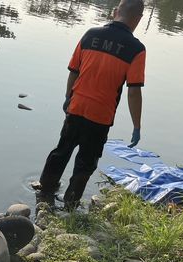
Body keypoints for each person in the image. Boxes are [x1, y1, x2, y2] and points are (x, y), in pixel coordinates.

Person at [37, 0, 146, 210]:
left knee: (62, 150)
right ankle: (70, 203)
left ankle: (45, 190)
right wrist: (137, 126)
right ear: (138, 19)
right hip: (101, 115)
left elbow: (73, 71)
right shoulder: (136, 49)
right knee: (86, 161)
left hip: (76, 106)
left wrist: (68, 98)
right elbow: (134, 91)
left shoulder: (90, 34)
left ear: (115, 12)